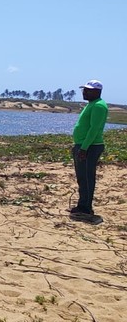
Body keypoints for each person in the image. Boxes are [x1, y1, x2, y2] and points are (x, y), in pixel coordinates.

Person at [70, 79, 108, 221]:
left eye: (88, 90)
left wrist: (84, 148)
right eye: (84, 90)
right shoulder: (91, 104)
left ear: (97, 92)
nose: (84, 92)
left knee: (86, 177)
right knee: (82, 177)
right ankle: (82, 205)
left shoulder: (98, 106)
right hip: (83, 145)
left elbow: (94, 129)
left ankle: (86, 208)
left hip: (90, 147)